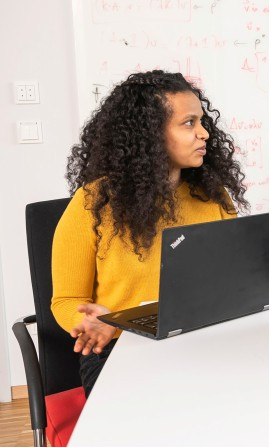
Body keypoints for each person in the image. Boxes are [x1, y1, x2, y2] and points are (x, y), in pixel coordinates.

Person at [51, 70, 249, 396]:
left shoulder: (213, 197)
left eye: (202, 122)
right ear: (149, 134)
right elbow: (66, 300)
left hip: (200, 342)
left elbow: (230, 280)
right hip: (120, 351)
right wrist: (90, 321)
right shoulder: (92, 203)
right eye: (189, 123)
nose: (204, 133)